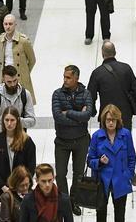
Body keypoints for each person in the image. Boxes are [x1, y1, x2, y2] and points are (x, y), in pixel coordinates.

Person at [52, 65, 93, 216]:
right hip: (62, 141)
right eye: (64, 77)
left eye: (68, 77)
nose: (65, 80)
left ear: (76, 78)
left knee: (78, 174)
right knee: (61, 174)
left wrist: (68, 112)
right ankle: (65, 202)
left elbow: (87, 115)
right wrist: (78, 117)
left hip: (81, 141)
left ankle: (73, 200)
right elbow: (57, 116)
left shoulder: (86, 93)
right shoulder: (57, 94)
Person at [88, 104, 136, 222]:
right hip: (102, 181)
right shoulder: (96, 136)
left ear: (118, 120)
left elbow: (132, 157)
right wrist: (99, 162)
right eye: (108, 120)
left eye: (113, 120)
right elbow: (89, 160)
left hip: (120, 180)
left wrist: (128, 175)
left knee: (120, 216)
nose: (111, 123)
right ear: (104, 120)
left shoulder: (126, 135)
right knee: (101, 216)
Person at [0, 65, 36, 164]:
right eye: (9, 82)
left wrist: (17, 121)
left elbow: (32, 121)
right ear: (3, 79)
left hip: (19, 142)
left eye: (15, 81)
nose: (12, 84)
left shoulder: (25, 95)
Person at [88, 40, 136, 130]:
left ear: (102, 53)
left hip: (106, 115)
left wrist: (93, 111)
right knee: (124, 140)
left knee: (106, 142)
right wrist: (130, 104)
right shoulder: (126, 68)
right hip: (125, 114)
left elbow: (90, 96)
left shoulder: (97, 73)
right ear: (115, 52)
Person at [0, 106, 36, 195]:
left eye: (12, 120)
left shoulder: (27, 141)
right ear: (3, 120)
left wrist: (22, 185)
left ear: (17, 120)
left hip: (22, 189)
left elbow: (31, 167)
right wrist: (3, 186)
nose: (9, 123)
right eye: (6, 120)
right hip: (1, 189)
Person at [0, 14, 37, 104]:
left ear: (15, 25)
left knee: (22, 105)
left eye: (10, 24)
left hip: (19, 77)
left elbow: (32, 60)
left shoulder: (23, 41)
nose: (8, 27)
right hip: (6, 77)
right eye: (6, 24)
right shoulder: (0, 39)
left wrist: (25, 72)